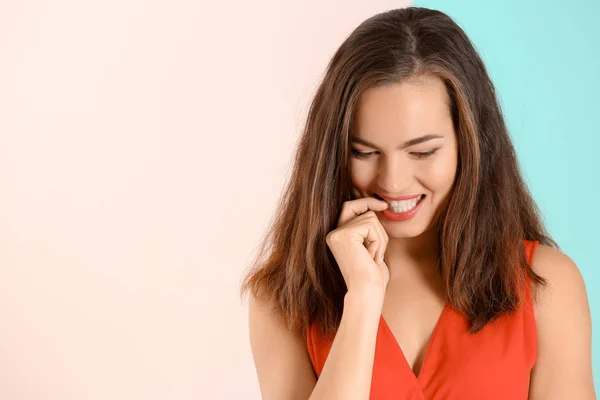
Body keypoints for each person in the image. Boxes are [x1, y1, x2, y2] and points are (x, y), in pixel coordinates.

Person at [240, 6, 595, 400]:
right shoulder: (283, 299)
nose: (392, 182)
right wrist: (361, 299)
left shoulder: (546, 285)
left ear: (470, 143)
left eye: (423, 152)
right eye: (364, 152)